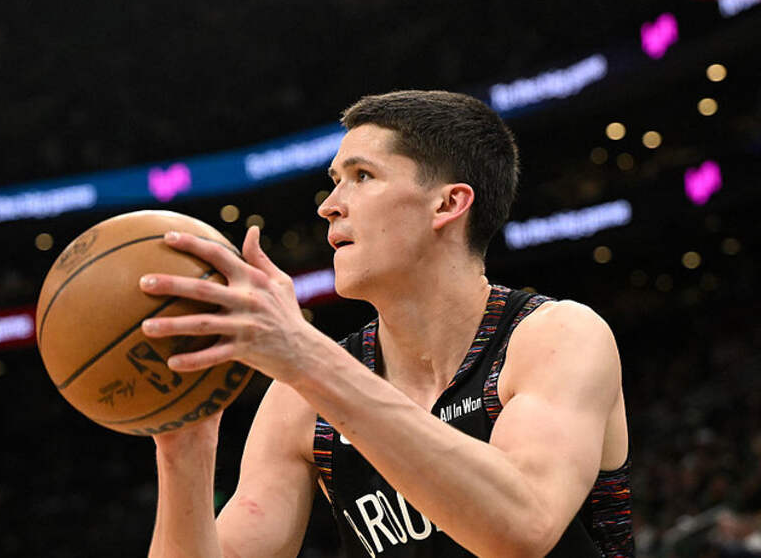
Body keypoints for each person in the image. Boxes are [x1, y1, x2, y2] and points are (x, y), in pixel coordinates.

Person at [138, 90, 632, 557]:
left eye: (362, 176)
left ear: (447, 204)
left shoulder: (556, 336)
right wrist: (184, 445)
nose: (329, 205)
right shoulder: (299, 402)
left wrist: (306, 356)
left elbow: (524, 530)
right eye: (335, 179)